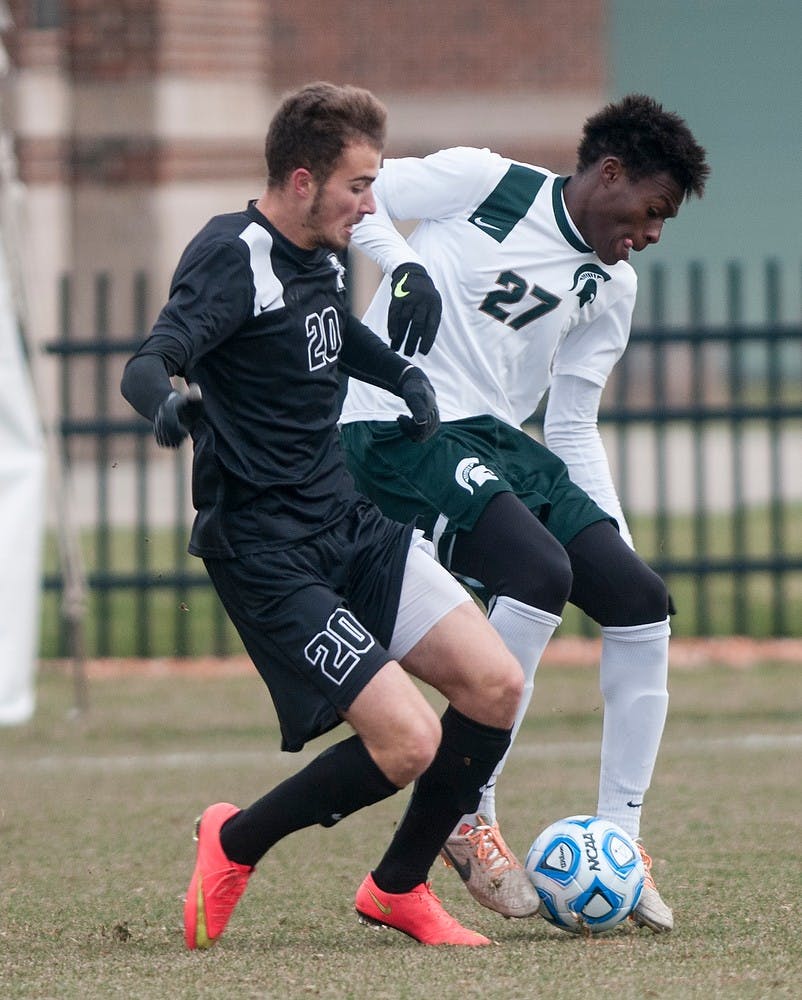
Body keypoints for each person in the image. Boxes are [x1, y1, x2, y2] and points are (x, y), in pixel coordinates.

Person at [120, 81, 526, 949]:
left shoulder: (323, 247)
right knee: (409, 740)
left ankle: (398, 889)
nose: (371, 204)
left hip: (346, 521)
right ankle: (233, 842)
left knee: (496, 686)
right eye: (358, 186)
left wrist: (403, 377)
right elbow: (151, 358)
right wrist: (167, 404)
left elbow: (331, 331)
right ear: (302, 181)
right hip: (267, 550)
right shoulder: (232, 254)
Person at [339, 94, 710, 931]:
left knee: (640, 600)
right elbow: (358, 198)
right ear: (609, 174)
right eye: (651, 211)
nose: (651, 234)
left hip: (500, 442)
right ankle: (470, 813)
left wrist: (607, 533)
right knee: (536, 572)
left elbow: (572, 422)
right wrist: (404, 266)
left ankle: (622, 837)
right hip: (398, 425)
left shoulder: (612, 285)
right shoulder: (486, 183)